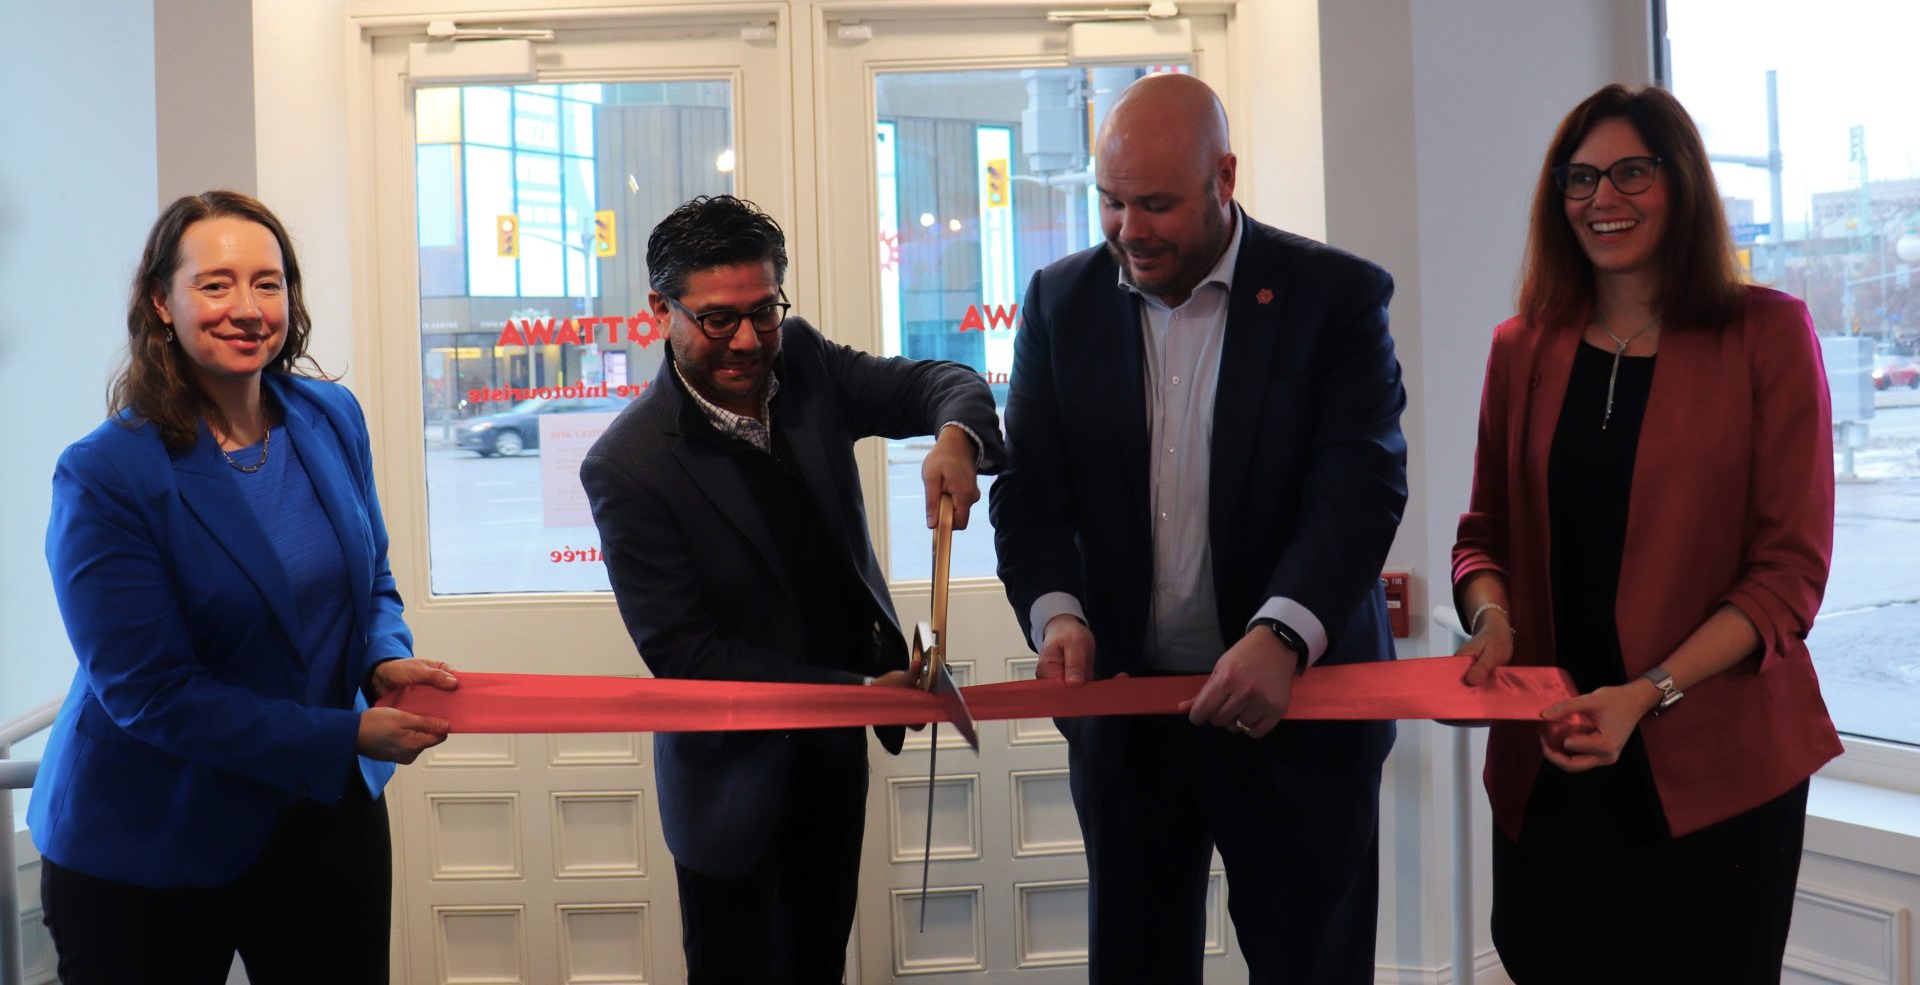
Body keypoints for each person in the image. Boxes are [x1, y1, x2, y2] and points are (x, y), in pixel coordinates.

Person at [989, 73, 1409, 984]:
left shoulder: (1332, 297)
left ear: (1224, 176)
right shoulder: (1061, 303)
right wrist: (1058, 614)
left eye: (1156, 204)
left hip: (1297, 720)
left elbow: (1361, 484)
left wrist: (1281, 635)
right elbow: (1030, 490)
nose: (1129, 230)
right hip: (1133, 726)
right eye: (1109, 201)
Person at [1451, 84, 1842, 983]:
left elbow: (1789, 576)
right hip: (1553, 752)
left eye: (1631, 172)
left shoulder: (1768, 335)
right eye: (1579, 179)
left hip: (1716, 768)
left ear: (1683, 183)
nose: (1601, 199)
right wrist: (1491, 621)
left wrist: (1648, 692)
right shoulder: (1523, 348)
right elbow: (1484, 536)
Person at [30, 190, 458, 984]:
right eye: (216, 283)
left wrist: (381, 662)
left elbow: (371, 586)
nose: (248, 307)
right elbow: (151, 694)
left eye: (269, 283)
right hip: (153, 832)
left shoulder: (330, 417)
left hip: (322, 816)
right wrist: (343, 736)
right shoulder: (106, 474)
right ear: (162, 301)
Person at [579, 194, 1007, 984]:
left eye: (763, 311)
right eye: (716, 319)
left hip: (830, 768)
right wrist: (855, 692)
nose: (747, 340)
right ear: (658, 311)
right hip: (730, 791)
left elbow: (943, 381)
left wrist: (957, 435)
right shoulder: (627, 465)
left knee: (817, 965)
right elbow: (688, 655)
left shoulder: (803, 361)